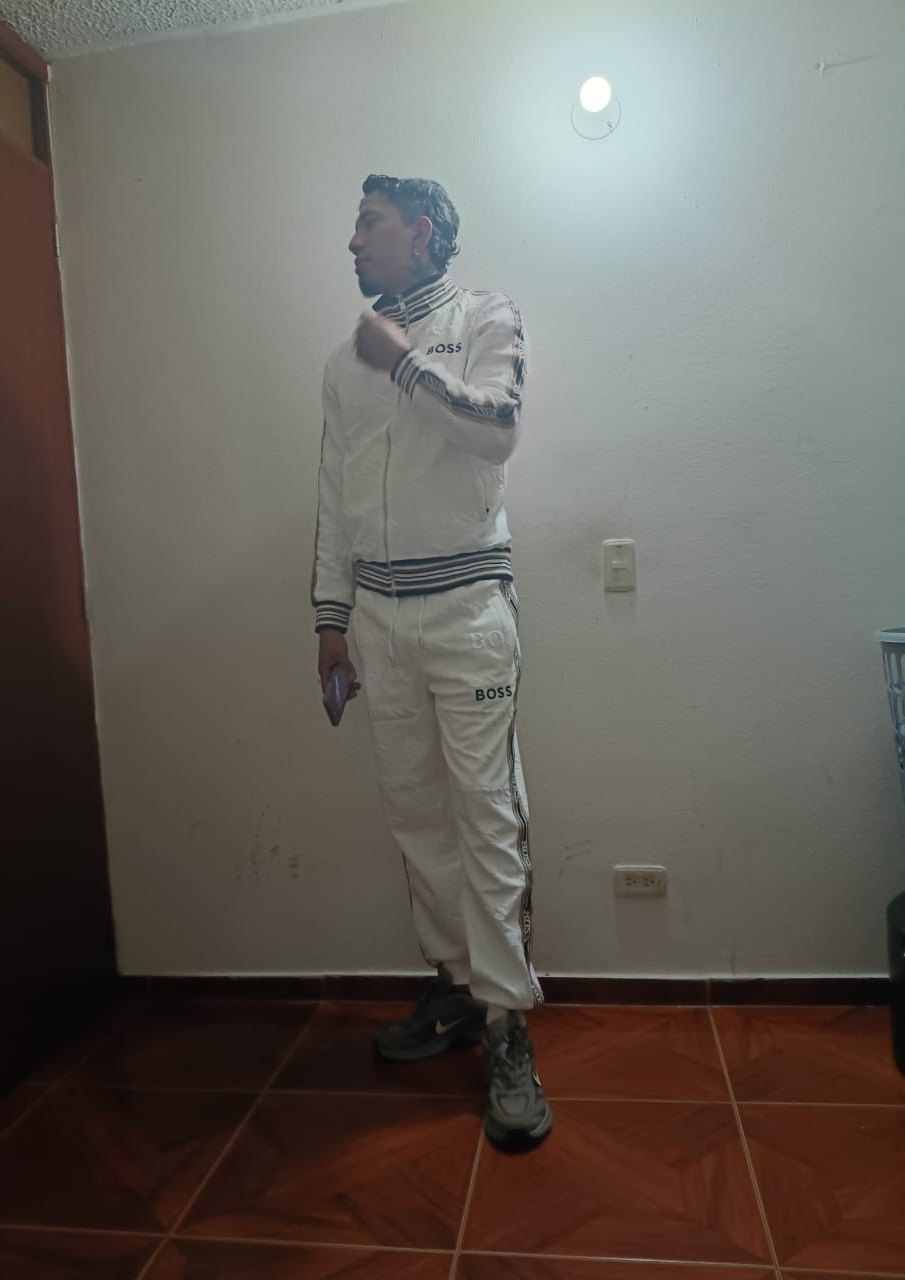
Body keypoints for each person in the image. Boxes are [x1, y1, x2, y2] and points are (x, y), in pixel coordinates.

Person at [311, 174, 551, 1146]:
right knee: (417, 816)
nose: (352, 241)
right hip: (379, 617)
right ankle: (456, 987)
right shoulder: (343, 362)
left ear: (420, 230)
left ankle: (508, 1024)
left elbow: (497, 429)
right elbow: (335, 496)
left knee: (488, 817)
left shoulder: (487, 316)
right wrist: (331, 619)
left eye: (368, 223)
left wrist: (406, 363)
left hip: (468, 611)